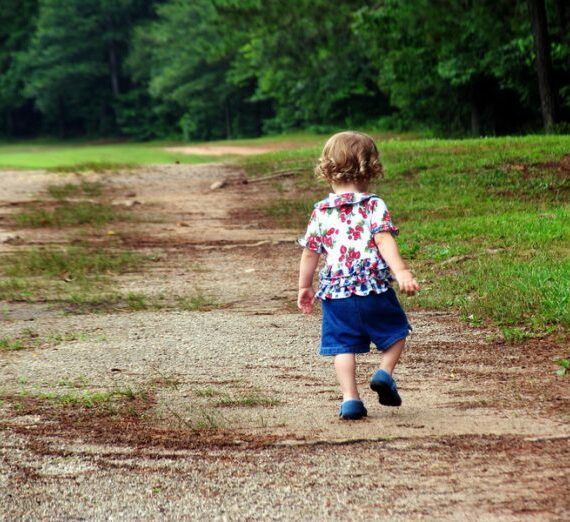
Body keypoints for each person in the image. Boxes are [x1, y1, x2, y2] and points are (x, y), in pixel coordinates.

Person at [297, 131, 420, 420]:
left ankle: (350, 399)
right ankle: (383, 373)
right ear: (371, 166)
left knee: (342, 346)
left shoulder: (321, 211)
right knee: (397, 331)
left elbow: (310, 252)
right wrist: (400, 271)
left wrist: (304, 286)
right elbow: (383, 240)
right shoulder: (374, 205)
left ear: (327, 167)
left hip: (336, 293)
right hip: (373, 287)